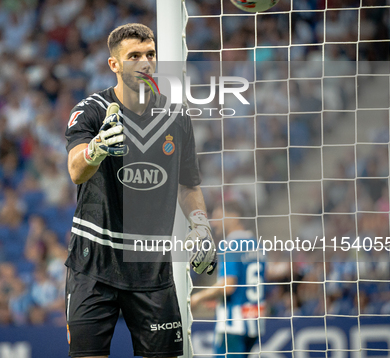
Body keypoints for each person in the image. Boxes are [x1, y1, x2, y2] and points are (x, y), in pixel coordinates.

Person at [64, 23, 217, 358]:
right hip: (95, 263)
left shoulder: (177, 117)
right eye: (134, 56)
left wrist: (201, 224)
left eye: (150, 54)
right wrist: (97, 147)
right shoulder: (90, 111)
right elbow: (76, 170)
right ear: (114, 64)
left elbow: (187, 184)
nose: (145, 63)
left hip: (151, 264)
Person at [190, 202, 265, 357]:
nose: (213, 222)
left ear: (234, 217)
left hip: (233, 324)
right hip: (254, 321)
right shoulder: (257, 245)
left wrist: (197, 297)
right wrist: (218, 298)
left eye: (218, 217)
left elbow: (228, 285)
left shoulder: (230, 244)